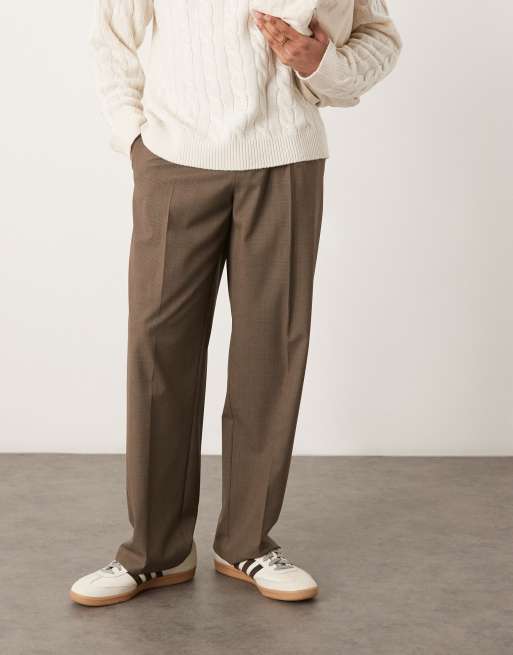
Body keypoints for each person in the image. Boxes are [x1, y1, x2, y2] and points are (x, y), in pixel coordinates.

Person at [70, 0, 401, 606]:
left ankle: (247, 542)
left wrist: (320, 64)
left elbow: (379, 37)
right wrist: (133, 134)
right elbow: (112, 36)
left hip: (286, 158)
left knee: (270, 351)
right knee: (158, 350)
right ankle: (155, 551)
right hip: (173, 158)